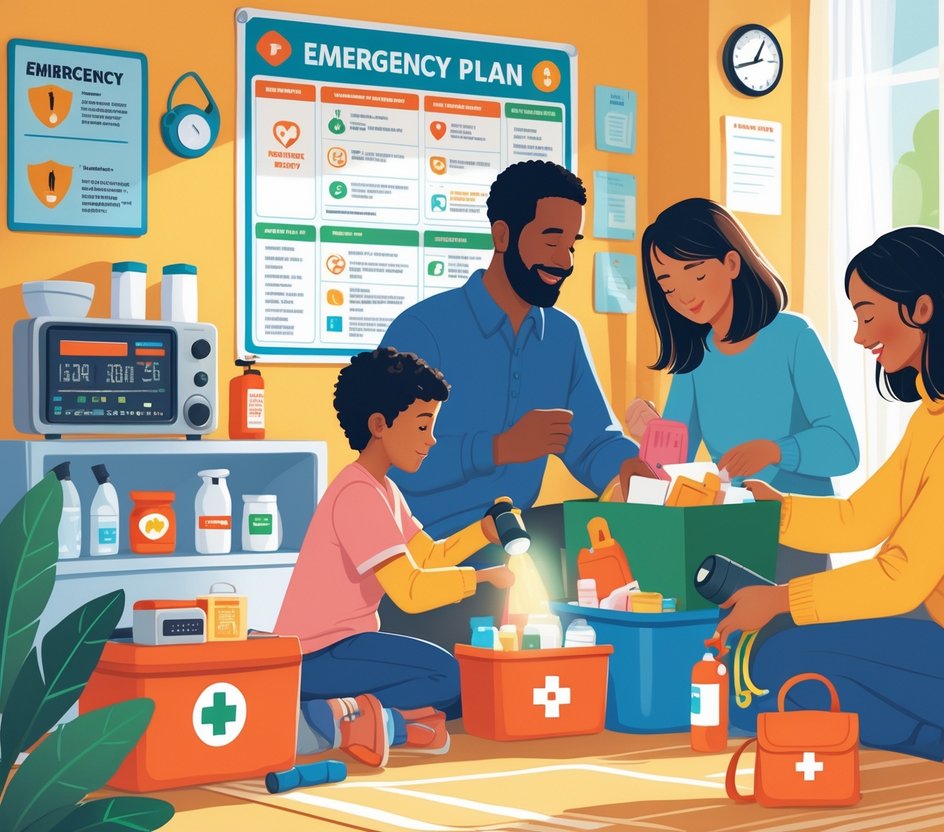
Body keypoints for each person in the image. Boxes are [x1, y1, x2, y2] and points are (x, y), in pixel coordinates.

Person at [717, 226, 944, 806]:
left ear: (921, 308)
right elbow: (862, 518)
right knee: (773, 667)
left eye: (867, 315)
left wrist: (780, 600)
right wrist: (773, 512)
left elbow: (901, 576)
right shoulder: (940, 412)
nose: (859, 338)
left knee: (780, 662)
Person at [378, 161, 637, 648]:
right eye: (550, 239)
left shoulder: (562, 335)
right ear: (503, 235)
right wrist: (498, 448)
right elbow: (390, 463)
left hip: (514, 540)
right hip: (429, 551)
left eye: (572, 245)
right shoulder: (424, 329)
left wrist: (631, 470)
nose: (564, 259)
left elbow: (590, 443)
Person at [274, 348, 515, 769]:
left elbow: (428, 555)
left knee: (456, 686)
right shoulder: (356, 494)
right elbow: (410, 591)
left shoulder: (382, 488)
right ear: (379, 425)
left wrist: (483, 533)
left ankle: (383, 723)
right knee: (449, 677)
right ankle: (330, 717)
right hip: (317, 657)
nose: (432, 438)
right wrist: (481, 579)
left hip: (343, 649)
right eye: (423, 425)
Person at [626, 198, 858, 581]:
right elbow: (672, 468)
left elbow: (844, 449)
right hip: (732, 535)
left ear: (732, 264)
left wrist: (775, 450)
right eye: (668, 288)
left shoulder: (793, 337)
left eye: (695, 275)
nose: (683, 297)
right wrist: (652, 435)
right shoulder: (697, 357)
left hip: (798, 534)